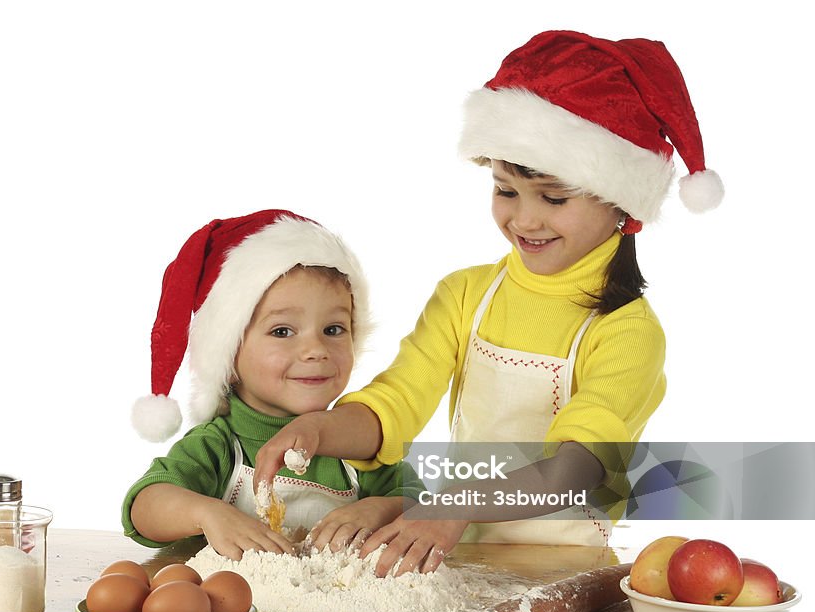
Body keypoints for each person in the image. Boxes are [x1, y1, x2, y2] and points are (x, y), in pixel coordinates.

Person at [254, 31, 723, 575]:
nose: (524, 220)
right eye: (505, 191)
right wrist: (319, 431)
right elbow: (398, 401)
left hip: (561, 567)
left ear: (620, 200)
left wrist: (448, 507)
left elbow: (574, 472)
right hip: (455, 548)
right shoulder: (466, 295)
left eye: (553, 197)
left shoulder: (626, 331)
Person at [123, 210, 424, 560]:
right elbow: (143, 508)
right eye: (282, 331)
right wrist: (208, 514)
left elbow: (424, 504)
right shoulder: (218, 444)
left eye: (333, 329)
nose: (316, 350)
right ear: (228, 354)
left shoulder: (354, 442)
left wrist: (380, 510)